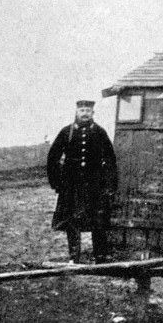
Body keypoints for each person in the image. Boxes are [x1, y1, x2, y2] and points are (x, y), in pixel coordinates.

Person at [47, 100, 118, 264]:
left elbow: (110, 161)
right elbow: (53, 158)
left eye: (88, 110)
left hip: (95, 185)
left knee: (98, 221)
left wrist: (109, 185)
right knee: (72, 221)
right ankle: (74, 256)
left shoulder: (100, 132)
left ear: (93, 113)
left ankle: (100, 256)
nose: (84, 113)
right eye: (82, 110)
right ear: (76, 112)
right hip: (71, 186)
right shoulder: (67, 132)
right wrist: (57, 182)